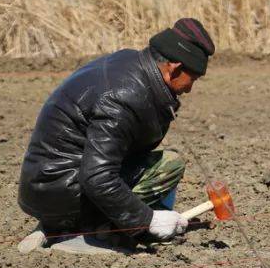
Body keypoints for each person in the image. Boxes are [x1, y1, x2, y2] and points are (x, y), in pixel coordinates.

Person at [17, 18, 214, 252]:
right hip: (62, 191)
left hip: (48, 186)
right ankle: (95, 234)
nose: (189, 89)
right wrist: (147, 219)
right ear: (175, 69)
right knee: (169, 164)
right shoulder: (122, 99)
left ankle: (59, 225)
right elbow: (97, 176)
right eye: (192, 79)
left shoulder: (131, 62)